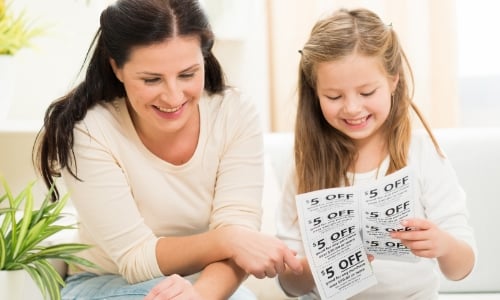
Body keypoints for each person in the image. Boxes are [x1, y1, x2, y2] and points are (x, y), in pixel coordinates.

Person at [33, 0, 302, 299]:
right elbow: (135, 259)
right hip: (106, 282)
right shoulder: (90, 130)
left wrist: (200, 295)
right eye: (151, 79)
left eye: (187, 74)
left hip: (203, 282)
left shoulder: (234, 113)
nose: (173, 96)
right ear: (117, 68)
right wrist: (229, 239)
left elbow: (241, 240)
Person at [276, 7, 476, 300]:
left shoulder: (420, 154)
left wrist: (442, 244)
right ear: (314, 92)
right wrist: (317, 267)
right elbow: (289, 285)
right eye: (333, 96)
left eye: (367, 92)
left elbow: (462, 268)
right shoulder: (305, 165)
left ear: (393, 80)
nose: (353, 108)